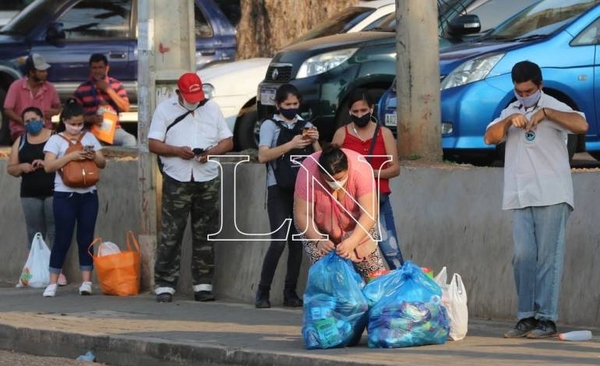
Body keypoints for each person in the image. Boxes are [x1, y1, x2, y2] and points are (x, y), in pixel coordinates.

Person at [483, 60, 588, 339]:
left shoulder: (553, 105)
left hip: (552, 192)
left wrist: (547, 114)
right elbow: (489, 137)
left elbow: (581, 123)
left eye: (529, 90)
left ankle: (547, 319)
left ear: (539, 86)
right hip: (520, 194)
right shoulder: (511, 109)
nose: (523, 95)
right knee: (523, 257)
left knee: (548, 258)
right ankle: (526, 316)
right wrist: (507, 122)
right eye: (519, 91)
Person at [148, 72, 233, 303]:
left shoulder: (212, 108)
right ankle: (164, 285)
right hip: (177, 178)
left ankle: (203, 285)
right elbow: (153, 143)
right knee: (171, 233)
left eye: (197, 96)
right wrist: (177, 151)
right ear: (179, 93)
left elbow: (228, 140)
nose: (194, 101)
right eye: (189, 96)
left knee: (205, 232)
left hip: (207, 177)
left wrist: (210, 153)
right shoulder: (165, 110)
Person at [254, 84, 321, 309]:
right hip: (277, 189)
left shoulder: (306, 125)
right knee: (279, 240)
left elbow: (319, 159)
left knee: (297, 243)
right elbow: (263, 156)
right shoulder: (269, 125)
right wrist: (291, 144)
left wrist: (314, 140)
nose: (291, 108)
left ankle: (290, 292)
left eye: (295, 104)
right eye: (287, 105)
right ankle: (263, 291)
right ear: (278, 105)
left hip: (301, 190)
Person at [332, 88, 404, 269]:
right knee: (353, 251)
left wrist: (368, 173)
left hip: (377, 200)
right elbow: (330, 164)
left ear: (371, 109)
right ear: (349, 111)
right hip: (349, 202)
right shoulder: (342, 134)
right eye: (355, 112)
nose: (359, 115)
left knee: (390, 249)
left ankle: (402, 288)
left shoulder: (384, 133)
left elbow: (395, 169)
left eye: (363, 111)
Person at [41, 98, 106, 297]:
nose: (77, 128)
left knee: (86, 238)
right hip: (64, 195)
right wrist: (71, 156)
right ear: (65, 121)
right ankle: (52, 282)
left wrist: (92, 154)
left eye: (80, 124)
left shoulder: (90, 138)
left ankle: (86, 282)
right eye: (73, 124)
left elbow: (102, 163)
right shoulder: (55, 140)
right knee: (62, 237)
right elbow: (48, 166)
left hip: (88, 194)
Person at [294, 145, 387, 280]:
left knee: (373, 272)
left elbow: (369, 213)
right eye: (330, 180)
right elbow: (302, 215)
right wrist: (318, 240)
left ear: (347, 169)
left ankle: (375, 297)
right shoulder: (308, 170)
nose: (335, 184)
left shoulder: (361, 169)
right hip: (316, 224)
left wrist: (353, 241)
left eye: (339, 179)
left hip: (359, 223)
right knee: (327, 273)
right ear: (320, 173)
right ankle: (333, 299)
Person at [6, 106, 67, 286]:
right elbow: (11, 168)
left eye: (34, 119)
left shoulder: (55, 137)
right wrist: (21, 167)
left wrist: (47, 162)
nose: (31, 124)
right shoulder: (21, 141)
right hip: (29, 194)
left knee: (55, 232)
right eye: (27, 121)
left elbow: (65, 161)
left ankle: (57, 273)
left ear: (42, 118)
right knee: (34, 234)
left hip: (54, 191)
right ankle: (32, 272)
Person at [73, 53, 137, 147]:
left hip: (113, 129)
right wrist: (90, 119)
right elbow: (73, 115)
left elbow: (125, 108)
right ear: (90, 69)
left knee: (130, 140)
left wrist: (109, 90)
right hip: (90, 129)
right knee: (89, 142)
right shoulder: (82, 89)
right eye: (94, 68)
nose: (97, 71)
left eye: (100, 67)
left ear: (106, 68)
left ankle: (121, 162)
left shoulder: (116, 85)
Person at [3, 54, 61, 142]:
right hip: (21, 131)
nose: (46, 73)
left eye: (45, 70)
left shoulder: (50, 87)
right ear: (32, 72)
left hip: (45, 131)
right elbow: (7, 110)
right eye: (41, 71)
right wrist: (24, 122)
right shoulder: (16, 86)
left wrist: (55, 112)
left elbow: (58, 108)